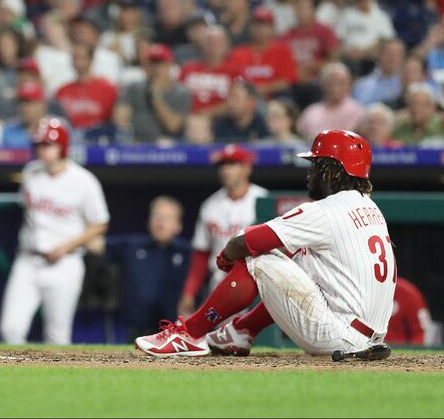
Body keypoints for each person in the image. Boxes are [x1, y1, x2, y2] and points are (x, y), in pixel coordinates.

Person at [136, 130, 396, 359]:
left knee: (258, 258)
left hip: (340, 335)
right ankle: (242, 331)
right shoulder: (370, 208)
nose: (310, 174)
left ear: (331, 171)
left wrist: (227, 255)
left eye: (315, 165)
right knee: (300, 258)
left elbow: (247, 242)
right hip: (369, 337)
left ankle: (190, 334)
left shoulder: (327, 210)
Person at [0, 118, 109, 345]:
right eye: (39, 145)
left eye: (48, 145)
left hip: (65, 263)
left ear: (63, 147)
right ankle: (16, 379)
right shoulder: (30, 173)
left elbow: (100, 223)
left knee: (57, 337)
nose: (42, 150)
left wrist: (66, 246)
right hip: (28, 260)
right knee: (10, 329)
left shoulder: (84, 181)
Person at [177, 145, 269, 317]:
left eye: (232, 164)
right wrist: (189, 293)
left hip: (258, 281)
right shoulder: (210, 205)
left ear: (246, 168)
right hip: (221, 282)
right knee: (221, 340)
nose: (226, 170)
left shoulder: (264, 200)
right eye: (223, 165)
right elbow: (201, 255)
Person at [102, 196, 191, 341]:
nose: (160, 223)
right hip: (137, 332)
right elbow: (98, 246)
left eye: (167, 218)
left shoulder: (189, 253)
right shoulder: (133, 246)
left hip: (176, 332)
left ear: (178, 225)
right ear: (149, 222)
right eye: (157, 217)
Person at [113, 44, 190, 143]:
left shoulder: (181, 92)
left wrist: (156, 95)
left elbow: (172, 126)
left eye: (160, 63)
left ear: (169, 65)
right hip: (135, 143)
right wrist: (128, 138)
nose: (155, 68)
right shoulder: (133, 88)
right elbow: (120, 119)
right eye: (151, 63)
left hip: (165, 145)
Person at [229, 7, 298, 98]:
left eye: (264, 25)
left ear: (272, 28)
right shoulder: (238, 53)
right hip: (244, 100)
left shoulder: (282, 50)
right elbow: (231, 80)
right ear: (250, 28)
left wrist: (259, 89)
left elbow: (287, 81)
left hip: (273, 98)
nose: (260, 29)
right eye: (256, 25)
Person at [296, 62, 365, 141]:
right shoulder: (311, 112)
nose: (335, 87)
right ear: (322, 85)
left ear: (349, 84)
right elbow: (300, 136)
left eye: (341, 82)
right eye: (331, 82)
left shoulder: (358, 111)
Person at [386, 277, 435, 346]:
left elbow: (421, 331)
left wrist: (414, 352)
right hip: (369, 350)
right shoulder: (367, 291)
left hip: (401, 351)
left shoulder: (408, 292)